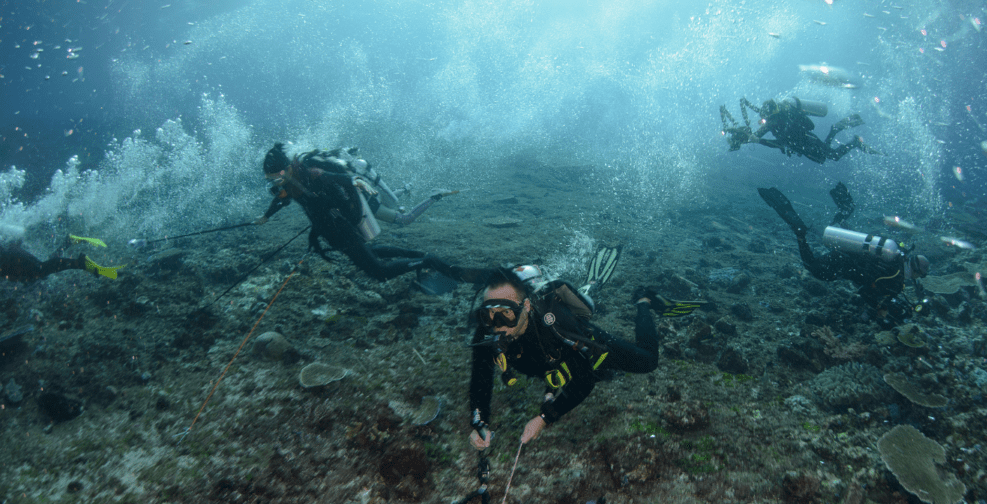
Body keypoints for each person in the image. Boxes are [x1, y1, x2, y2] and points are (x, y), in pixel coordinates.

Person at [467, 254, 703, 449]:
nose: (497, 324)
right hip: (553, 359)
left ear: (526, 306)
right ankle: (587, 295)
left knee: (647, 362)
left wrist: (545, 418)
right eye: (488, 313)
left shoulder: (554, 328)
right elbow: (480, 376)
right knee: (571, 370)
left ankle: (644, 300)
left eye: (506, 313)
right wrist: (480, 420)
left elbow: (584, 380)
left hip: (585, 343)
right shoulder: (488, 330)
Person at [257, 143, 459, 282]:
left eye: (278, 177)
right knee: (372, 248)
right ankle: (419, 254)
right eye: (271, 180)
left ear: (288, 168)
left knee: (401, 228)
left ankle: (434, 206)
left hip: (362, 207)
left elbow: (329, 176)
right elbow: (282, 199)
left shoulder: (310, 173)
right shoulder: (292, 184)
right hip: (354, 213)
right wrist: (266, 216)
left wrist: (355, 180)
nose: (276, 183)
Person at [758, 185, 929, 325]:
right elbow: (866, 291)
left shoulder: (897, 254)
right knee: (813, 267)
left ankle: (845, 210)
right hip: (843, 264)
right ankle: (800, 232)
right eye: (919, 275)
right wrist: (880, 309)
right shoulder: (896, 279)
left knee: (832, 233)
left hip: (849, 252)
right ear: (917, 272)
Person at [721, 96, 878, 164]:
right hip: (802, 145)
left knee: (833, 156)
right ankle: (837, 131)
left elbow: (779, 143)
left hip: (807, 141)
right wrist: (741, 137)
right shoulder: (774, 121)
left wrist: (757, 140)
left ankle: (847, 136)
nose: (767, 120)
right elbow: (757, 135)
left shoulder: (780, 120)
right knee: (826, 158)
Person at [0, 235, 123, 282]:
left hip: (8, 258)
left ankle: (81, 263)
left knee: (40, 270)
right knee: (42, 268)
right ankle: (68, 242)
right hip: (9, 254)